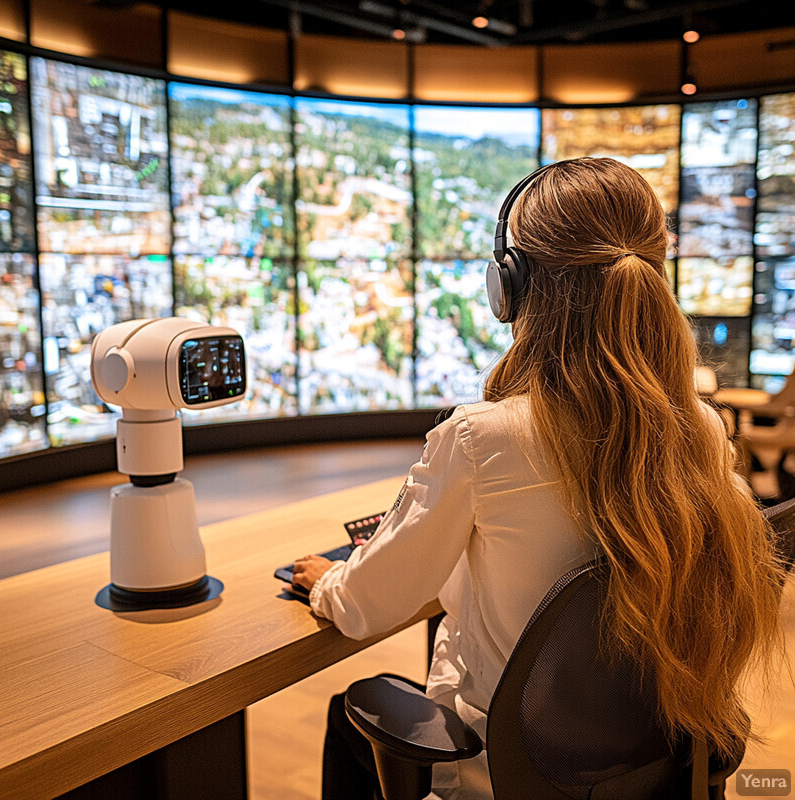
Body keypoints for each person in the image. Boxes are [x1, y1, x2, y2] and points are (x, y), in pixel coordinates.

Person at [292, 157, 786, 800]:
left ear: (511, 287)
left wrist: (330, 580)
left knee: (347, 718)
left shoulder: (480, 439)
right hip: (654, 772)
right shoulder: (699, 428)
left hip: (499, 776)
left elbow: (366, 607)